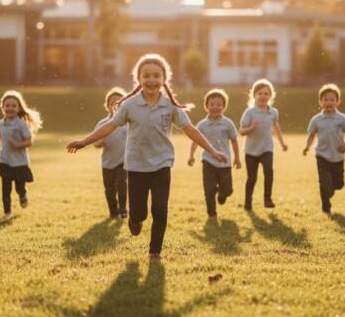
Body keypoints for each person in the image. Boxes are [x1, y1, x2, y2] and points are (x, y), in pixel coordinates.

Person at [66, 53, 227, 259]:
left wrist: (212, 150)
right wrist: (84, 142)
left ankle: (155, 251)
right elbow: (110, 126)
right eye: (147, 76)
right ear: (139, 79)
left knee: (160, 209)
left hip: (162, 164)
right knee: (139, 213)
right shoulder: (130, 105)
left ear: (164, 79)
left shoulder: (170, 106)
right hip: (136, 166)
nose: (151, 80)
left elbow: (190, 129)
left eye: (156, 76)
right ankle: (134, 220)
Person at [0, 90, 42, 220]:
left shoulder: (21, 124)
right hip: (5, 161)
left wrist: (17, 145)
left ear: (19, 108)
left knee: (19, 188)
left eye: (14, 106)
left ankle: (23, 195)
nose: (10, 108)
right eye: (7, 105)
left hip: (20, 163)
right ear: (2, 107)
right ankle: (7, 213)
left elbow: (29, 141)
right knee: (5, 189)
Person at [188, 89, 241, 217]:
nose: (215, 107)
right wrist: (191, 155)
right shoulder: (202, 124)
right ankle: (211, 213)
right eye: (212, 104)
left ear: (224, 107)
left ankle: (222, 193)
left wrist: (237, 158)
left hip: (225, 163)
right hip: (208, 161)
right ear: (206, 106)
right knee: (209, 189)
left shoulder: (228, 124)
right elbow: (195, 140)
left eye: (218, 104)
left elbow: (234, 141)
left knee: (227, 190)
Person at [303, 83, 345, 214]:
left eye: (332, 99)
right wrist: (307, 147)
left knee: (339, 184)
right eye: (325, 99)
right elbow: (311, 135)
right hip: (321, 155)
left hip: (338, 156)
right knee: (324, 182)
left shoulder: (342, 119)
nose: (329, 102)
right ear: (320, 102)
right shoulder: (317, 119)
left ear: (338, 102)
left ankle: (329, 190)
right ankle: (326, 206)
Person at [239, 78, 288, 210]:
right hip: (251, 150)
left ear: (270, 96)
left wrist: (282, 143)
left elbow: (275, 126)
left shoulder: (273, 112)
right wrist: (251, 128)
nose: (263, 96)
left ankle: (267, 199)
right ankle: (247, 202)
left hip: (267, 148)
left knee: (269, 172)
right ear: (254, 95)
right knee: (252, 178)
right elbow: (241, 131)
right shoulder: (249, 113)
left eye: (266, 94)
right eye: (260, 93)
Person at [94, 87, 129, 219]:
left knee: (122, 184)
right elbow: (95, 142)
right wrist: (99, 143)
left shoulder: (128, 123)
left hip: (123, 161)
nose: (116, 105)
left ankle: (123, 209)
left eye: (119, 102)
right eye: (112, 102)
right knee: (109, 189)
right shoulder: (103, 123)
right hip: (108, 162)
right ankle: (113, 211)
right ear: (107, 106)